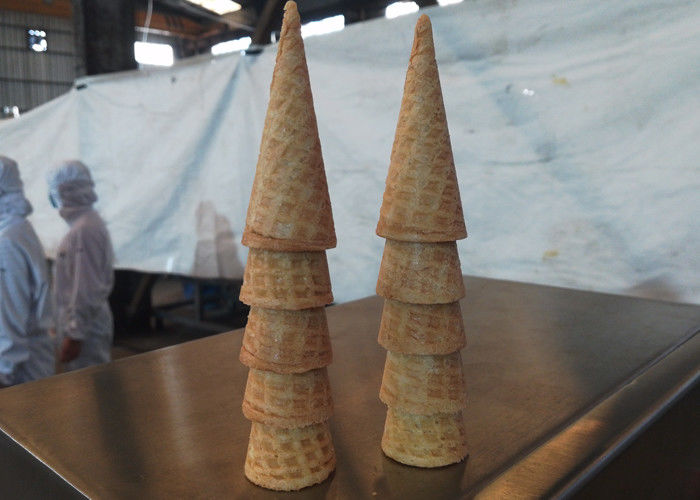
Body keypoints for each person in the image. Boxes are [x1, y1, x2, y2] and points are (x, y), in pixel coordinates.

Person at [48, 160, 114, 371]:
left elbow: (86, 288)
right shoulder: (82, 225)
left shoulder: (85, 230)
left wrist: (75, 334)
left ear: (65, 191)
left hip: (87, 330)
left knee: (91, 383)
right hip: (83, 325)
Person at [0, 156, 54, 386]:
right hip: (29, 360)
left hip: (20, 372)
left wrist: (4, 371)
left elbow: (9, 317)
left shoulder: (7, 241)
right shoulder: (18, 229)